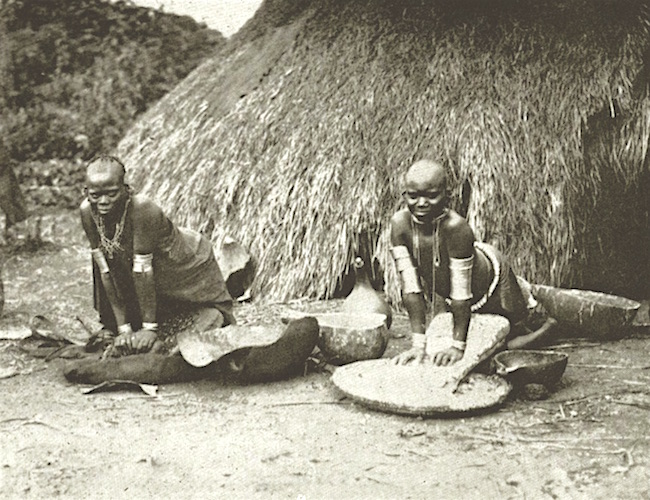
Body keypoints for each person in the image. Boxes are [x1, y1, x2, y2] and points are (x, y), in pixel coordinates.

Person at [390, 159, 557, 366]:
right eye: (413, 196)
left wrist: (458, 347)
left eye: (431, 196)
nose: (422, 203)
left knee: (507, 345)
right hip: (451, 295)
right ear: (404, 194)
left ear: (447, 194)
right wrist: (418, 346)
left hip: (493, 283)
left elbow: (461, 292)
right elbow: (411, 289)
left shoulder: (456, 228)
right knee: (442, 346)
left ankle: (547, 326)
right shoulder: (399, 224)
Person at [80, 155, 235, 355]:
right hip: (138, 266)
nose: (103, 202)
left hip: (183, 265)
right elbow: (105, 271)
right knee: (107, 257)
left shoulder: (143, 208)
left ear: (127, 190)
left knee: (205, 319)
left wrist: (148, 329)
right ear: (86, 193)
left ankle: (152, 322)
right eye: (95, 195)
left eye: (111, 194)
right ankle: (128, 324)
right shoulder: (87, 211)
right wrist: (123, 329)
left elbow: (143, 271)